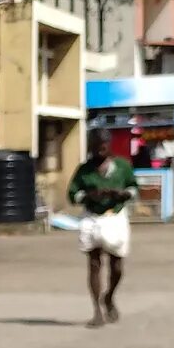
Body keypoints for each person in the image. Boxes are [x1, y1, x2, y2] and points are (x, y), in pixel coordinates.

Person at [66, 132, 141, 327]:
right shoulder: (84, 170)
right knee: (94, 263)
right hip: (92, 218)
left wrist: (123, 194)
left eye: (104, 144)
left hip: (115, 216)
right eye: (96, 144)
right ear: (90, 146)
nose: (101, 147)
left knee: (116, 265)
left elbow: (134, 188)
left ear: (110, 145)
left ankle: (109, 297)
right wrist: (89, 196)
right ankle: (97, 312)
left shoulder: (122, 166)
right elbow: (72, 194)